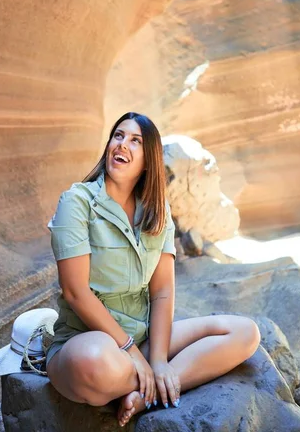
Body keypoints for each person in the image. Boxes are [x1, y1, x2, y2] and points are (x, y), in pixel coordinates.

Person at [46, 112, 260, 427]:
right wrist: (132, 353)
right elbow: (75, 292)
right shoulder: (77, 202)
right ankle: (153, 382)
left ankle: (147, 394)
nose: (122, 144)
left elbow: (162, 292)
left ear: (149, 161)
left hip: (144, 338)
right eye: (118, 136)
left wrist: (158, 360)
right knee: (90, 361)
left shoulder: (157, 214)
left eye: (136, 141)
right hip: (89, 339)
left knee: (245, 332)